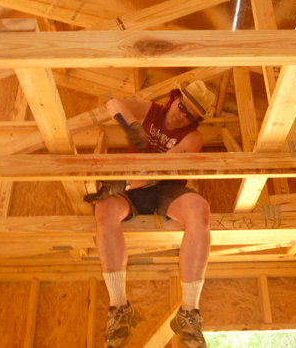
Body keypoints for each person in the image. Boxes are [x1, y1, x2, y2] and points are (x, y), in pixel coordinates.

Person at [86, 80, 215, 348]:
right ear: (175, 97)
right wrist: (132, 127)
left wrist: (121, 183)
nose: (182, 115)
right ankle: (119, 309)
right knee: (104, 208)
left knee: (200, 210)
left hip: (165, 190)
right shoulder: (151, 111)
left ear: (196, 119)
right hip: (133, 186)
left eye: (190, 114)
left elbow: (162, 169)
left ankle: (189, 313)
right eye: (182, 106)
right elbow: (112, 103)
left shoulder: (193, 138)